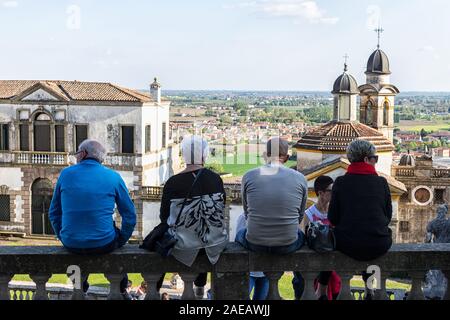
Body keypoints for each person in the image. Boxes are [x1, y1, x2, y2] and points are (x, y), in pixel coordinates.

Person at [49, 139, 136, 299]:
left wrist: (63, 236)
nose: (76, 156)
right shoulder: (113, 177)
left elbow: (54, 213)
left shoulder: (65, 174)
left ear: (83, 154)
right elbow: (130, 215)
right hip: (104, 243)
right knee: (110, 236)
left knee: (79, 254)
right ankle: (122, 289)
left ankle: (80, 289)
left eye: (77, 153)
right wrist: (121, 240)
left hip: (71, 243)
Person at [154, 135, 228, 299]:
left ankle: (154, 291)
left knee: (159, 242)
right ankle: (200, 289)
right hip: (214, 244)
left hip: (185, 246)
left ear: (184, 155)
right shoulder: (216, 179)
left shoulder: (173, 182)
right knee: (201, 234)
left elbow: (164, 217)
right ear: (204, 155)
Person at [235, 137, 308, 299]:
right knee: (302, 236)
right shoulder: (300, 178)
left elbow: (247, 214)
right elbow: (299, 217)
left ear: (265, 155)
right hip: (287, 244)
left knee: (240, 233)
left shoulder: (249, 176)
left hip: (254, 243)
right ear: (287, 157)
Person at [328, 139, 393, 299]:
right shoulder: (381, 183)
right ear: (366, 159)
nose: (375, 162)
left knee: (353, 236)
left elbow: (333, 218)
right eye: (375, 158)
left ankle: (322, 291)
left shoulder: (341, 182)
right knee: (371, 238)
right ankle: (370, 288)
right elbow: (388, 216)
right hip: (379, 244)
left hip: (347, 244)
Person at [304, 175, 341, 300]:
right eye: (331, 191)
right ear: (321, 193)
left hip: (332, 263)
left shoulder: (335, 213)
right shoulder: (309, 214)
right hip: (316, 264)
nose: (334, 194)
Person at [236, 213, 269, 300]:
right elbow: (238, 244)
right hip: (249, 271)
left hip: (266, 272)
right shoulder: (244, 216)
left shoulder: (272, 216)